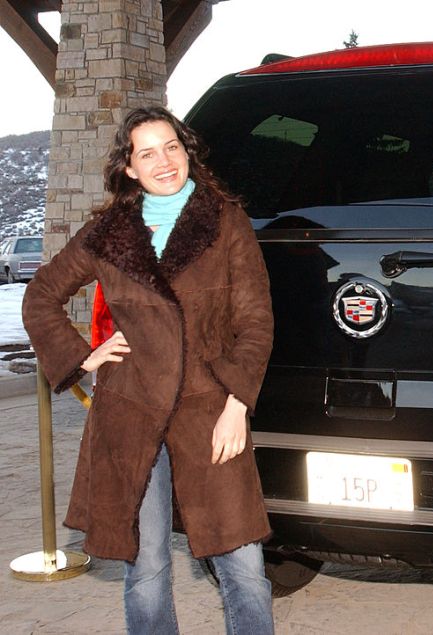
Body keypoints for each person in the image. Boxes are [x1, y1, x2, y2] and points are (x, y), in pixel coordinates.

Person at [22, 106, 275, 634]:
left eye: (171, 147)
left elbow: (255, 322)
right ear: (130, 168)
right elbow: (41, 295)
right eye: (147, 153)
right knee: (147, 566)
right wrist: (79, 356)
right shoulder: (108, 232)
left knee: (244, 565)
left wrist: (236, 406)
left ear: (187, 152)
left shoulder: (225, 221)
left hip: (209, 408)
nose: (163, 162)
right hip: (130, 414)